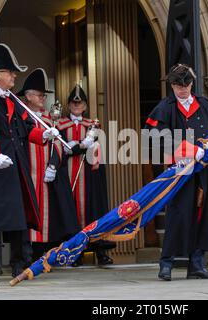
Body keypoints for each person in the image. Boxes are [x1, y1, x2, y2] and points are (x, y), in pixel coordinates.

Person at [0, 44, 60, 281]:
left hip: (16, 165)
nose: (14, 75)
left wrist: (44, 135)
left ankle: (20, 264)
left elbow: (26, 131)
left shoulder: (14, 100)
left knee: (19, 215)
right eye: (10, 71)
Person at [144, 63, 208, 281]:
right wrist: (188, 151)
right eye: (178, 84)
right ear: (171, 85)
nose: (183, 88)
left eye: (186, 83)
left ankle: (197, 264)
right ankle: (166, 262)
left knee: (204, 215)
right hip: (180, 171)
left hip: (205, 171)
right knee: (178, 215)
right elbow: (154, 140)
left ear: (192, 83)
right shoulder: (164, 108)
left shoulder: (204, 104)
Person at [17, 68, 80, 262]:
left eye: (44, 95)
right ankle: (23, 255)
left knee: (50, 215)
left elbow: (59, 145)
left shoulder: (48, 119)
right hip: (27, 174)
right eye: (39, 95)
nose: (43, 98)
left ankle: (44, 252)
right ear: (28, 97)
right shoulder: (20, 116)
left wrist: (53, 165)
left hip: (46, 176)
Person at [57, 85, 115, 266]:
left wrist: (91, 146)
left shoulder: (93, 125)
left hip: (89, 176)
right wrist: (79, 146)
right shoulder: (60, 125)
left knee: (94, 212)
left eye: (80, 103)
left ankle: (100, 252)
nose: (76, 106)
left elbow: (99, 151)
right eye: (73, 103)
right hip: (68, 174)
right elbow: (62, 149)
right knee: (70, 213)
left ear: (85, 106)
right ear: (68, 105)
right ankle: (75, 253)